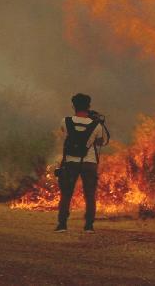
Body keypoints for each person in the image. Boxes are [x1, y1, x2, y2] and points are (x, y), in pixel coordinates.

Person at [54, 93, 106, 233]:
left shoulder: (65, 121)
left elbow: (63, 135)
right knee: (89, 195)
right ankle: (89, 226)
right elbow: (100, 142)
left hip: (70, 161)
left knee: (66, 194)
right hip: (89, 162)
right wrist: (95, 121)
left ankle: (62, 225)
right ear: (89, 106)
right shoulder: (96, 125)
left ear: (73, 106)